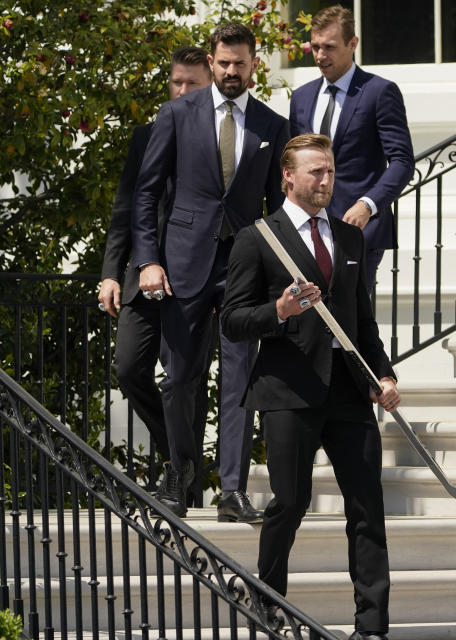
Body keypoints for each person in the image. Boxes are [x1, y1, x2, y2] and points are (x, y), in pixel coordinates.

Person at [221, 133, 400, 640]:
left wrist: (383, 374)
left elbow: (362, 322)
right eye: (315, 172)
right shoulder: (256, 238)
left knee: (367, 509)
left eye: (330, 171)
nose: (326, 180)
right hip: (287, 392)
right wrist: (278, 311)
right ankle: (268, 606)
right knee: (289, 504)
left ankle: (372, 626)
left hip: (347, 392)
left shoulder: (350, 238)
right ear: (289, 177)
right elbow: (233, 320)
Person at [131, 22, 289, 521]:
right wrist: (148, 261)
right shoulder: (177, 113)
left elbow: (275, 205)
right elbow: (147, 192)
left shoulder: (271, 124)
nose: (230, 72)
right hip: (182, 262)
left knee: (240, 378)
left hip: (243, 264)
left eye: (240, 64)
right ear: (213, 61)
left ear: (253, 64)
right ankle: (180, 480)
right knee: (181, 377)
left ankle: (233, 491)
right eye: (223, 63)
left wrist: (277, 272)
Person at [97, 46, 212, 503]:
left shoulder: (218, 139)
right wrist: (110, 273)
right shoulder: (146, 136)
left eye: (192, 84)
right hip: (142, 277)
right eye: (176, 83)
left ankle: (185, 483)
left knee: (186, 379)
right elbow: (125, 208)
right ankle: (179, 461)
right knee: (129, 368)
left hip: (194, 276)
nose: (182, 92)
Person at [288, 5, 415, 290]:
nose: (320, 56)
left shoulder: (379, 92)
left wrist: (368, 205)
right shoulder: (302, 97)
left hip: (358, 228)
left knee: (350, 323)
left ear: (352, 43)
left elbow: (402, 161)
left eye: (330, 47)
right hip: (308, 229)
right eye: (315, 47)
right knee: (311, 321)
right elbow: (293, 163)